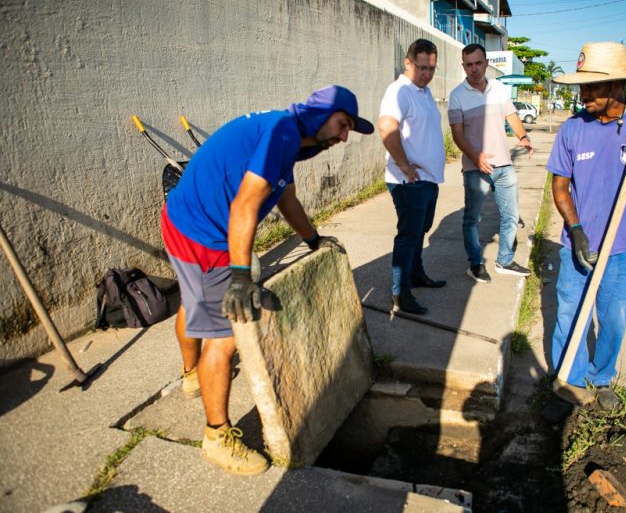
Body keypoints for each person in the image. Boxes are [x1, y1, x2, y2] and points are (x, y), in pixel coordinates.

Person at [162, 85, 374, 474]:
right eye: (343, 125)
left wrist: (313, 240)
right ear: (320, 113)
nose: (344, 137)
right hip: (203, 237)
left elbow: (285, 199)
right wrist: (241, 277)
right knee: (225, 337)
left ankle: (191, 377)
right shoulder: (282, 132)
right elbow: (245, 204)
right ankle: (216, 436)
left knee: (194, 303)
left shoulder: (285, 135)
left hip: (185, 222)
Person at [545, 42, 626, 409]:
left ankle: (601, 379)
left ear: (616, 85)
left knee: (613, 318)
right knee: (569, 316)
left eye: (591, 87)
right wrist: (576, 229)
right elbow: (559, 184)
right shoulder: (573, 129)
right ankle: (569, 380)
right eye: (580, 87)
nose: (582, 94)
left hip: (624, 246)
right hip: (578, 247)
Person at [448, 43, 533, 283]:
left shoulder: (498, 88)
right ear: (463, 66)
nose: (474, 69)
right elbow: (457, 134)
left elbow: (511, 116)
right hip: (476, 168)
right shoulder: (457, 95)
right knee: (472, 218)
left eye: (478, 63)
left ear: (486, 63)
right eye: (469, 64)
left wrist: (523, 137)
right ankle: (475, 264)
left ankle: (505, 260)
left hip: (504, 165)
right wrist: (476, 157)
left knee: (511, 215)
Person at [378, 39, 447, 315]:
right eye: (422, 68)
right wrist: (404, 166)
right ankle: (401, 293)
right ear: (408, 63)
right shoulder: (399, 91)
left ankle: (416, 274)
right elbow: (386, 127)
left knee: (420, 231)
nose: (427, 74)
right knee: (408, 235)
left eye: (432, 68)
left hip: (428, 180)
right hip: (409, 183)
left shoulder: (424, 91)